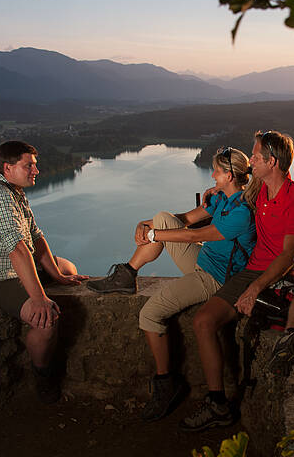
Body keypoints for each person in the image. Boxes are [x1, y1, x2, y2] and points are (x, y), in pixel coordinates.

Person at [86, 147, 257, 422]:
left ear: (229, 175)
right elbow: (186, 220)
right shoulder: (220, 198)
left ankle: (166, 382)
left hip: (216, 279)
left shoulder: (241, 212)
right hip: (204, 259)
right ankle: (128, 274)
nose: (212, 174)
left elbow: (195, 235)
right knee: (164, 216)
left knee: (150, 315)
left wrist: (153, 233)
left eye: (216, 171)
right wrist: (147, 224)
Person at [180, 130, 294, 433]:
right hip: (254, 267)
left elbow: (289, 255)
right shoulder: (258, 188)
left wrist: (256, 288)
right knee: (203, 322)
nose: (251, 162)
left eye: (256, 157)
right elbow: (233, 194)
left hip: (288, 269)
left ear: (272, 162)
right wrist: (214, 191)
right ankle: (217, 403)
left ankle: (290, 340)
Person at [0, 140, 88, 404]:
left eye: (35, 165)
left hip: (12, 267)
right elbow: (18, 250)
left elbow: (36, 238)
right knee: (46, 319)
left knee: (68, 268)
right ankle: (43, 376)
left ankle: (51, 281)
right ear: (7, 167)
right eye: (28, 165)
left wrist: (59, 277)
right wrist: (39, 298)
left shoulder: (14, 191)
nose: (36, 170)